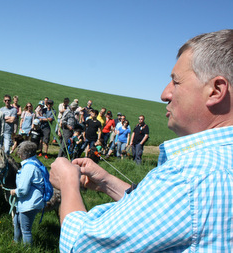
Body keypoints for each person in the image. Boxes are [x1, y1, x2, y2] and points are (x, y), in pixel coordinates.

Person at [49, 29, 233, 252]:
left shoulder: (190, 176)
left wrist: (68, 184)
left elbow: (81, 246)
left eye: (176, 81)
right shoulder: (213, 169)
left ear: (216, 90)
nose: (165, 94)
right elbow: (166, 214)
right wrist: (108, 182)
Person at [9, 141, 45, 244]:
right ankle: (16, 242)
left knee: (26, 230)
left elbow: (23, 190)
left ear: (24, 154)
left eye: (19, 152)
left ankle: (27, 249)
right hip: (28, 201)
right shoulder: (35, 162)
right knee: (16, 221)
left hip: (30, 203)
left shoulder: (28, 168)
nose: (18, 154)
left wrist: (14, 191)